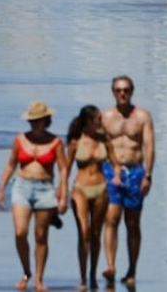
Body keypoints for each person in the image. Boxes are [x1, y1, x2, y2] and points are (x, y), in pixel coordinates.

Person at [0, 101, 66, 292]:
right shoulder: (20, 140)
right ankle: (26, 272)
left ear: (46, 121)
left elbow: (63, 169)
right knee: (20, 232)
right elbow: (11, 164)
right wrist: (1, 186)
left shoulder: (56, 142)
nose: (35, 124)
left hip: (45, 189)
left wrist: (63, 193)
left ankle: (39, 279)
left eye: (39, 121)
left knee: (41, 235)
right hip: (22, 187)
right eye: (32, 121)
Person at [101, 75, 155, 288]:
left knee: (132, 223)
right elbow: (101, 145)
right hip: (111, 172)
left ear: (132, 91)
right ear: (113, 92)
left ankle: (132, 269)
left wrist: (148, 175)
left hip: (135, 172)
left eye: (126, 90)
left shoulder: (142, 116)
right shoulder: (105, 116)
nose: (122, 93)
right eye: (118, 90)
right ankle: (111, 266)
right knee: (111, 218)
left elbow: (149, 146)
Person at [66, 105, 110, 292]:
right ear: (88, 121)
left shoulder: (105, 140)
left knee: (95, 233)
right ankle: (83, 277)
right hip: (80, 189)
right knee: (84, 231)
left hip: (101, 188)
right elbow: (66, 168)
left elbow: (115, 162)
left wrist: (116, 175)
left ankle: (92, 274)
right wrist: (61, 191)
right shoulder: (76, 141)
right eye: (98, 119)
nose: (101, 121)